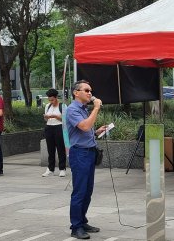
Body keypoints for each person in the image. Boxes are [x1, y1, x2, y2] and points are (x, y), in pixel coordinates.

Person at [66, 80, 107, 239]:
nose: (90, 93)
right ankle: (75, 227)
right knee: (80, 191)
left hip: (89, 152)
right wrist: (96, 107)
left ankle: (82, 221)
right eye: (86, 90)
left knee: (88, 191)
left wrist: (97, 132)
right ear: (76, 93)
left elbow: (86, 130)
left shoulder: (83, 109)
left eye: (91, 90)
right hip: (80, 154)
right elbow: (84, 127)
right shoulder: (72, 109)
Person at [42, 88, 67, 177]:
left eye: (52, 99)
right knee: (50, 149)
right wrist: (46, 117)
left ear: (56, 97)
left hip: (59, 127)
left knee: (60, 149)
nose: (51, 101)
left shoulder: (62, 106)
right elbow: (46, 119)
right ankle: (50, 168)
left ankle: (62, 168)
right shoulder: (47, 106)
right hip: (49, 127)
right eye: (49, 100)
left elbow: (65, 119)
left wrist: (56, 116)